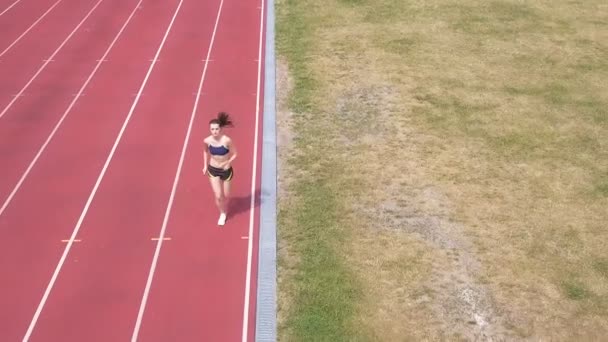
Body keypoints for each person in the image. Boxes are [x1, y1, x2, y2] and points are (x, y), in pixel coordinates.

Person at [203, 111, 237, 226]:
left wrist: (227, 162)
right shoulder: (207, 141)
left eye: (216, 129)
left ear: (220, 129)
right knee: (218, 195)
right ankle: (222, 213)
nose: (214, 131)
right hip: (213, 169)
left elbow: (235, 154)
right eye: (212, 129)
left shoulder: (226, 140)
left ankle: (224, 205)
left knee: (226, 195)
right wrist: (204, 165)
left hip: (226, 170)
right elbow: (205, 151)